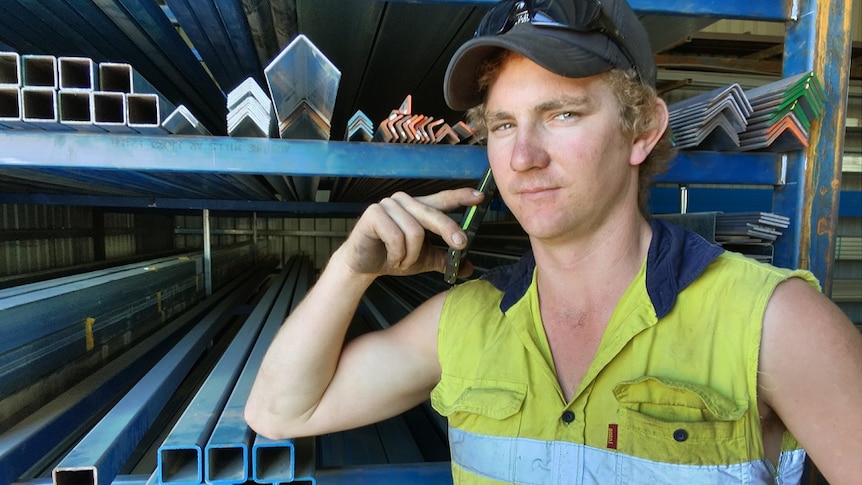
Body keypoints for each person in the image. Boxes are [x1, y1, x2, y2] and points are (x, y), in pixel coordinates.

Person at [245, 0, 862, 482]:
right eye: (504, 124)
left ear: (641, 127)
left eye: (562, 114)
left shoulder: (776, 324)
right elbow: (278, 412)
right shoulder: (464, 321)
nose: (522, 156)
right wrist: (353, 269)